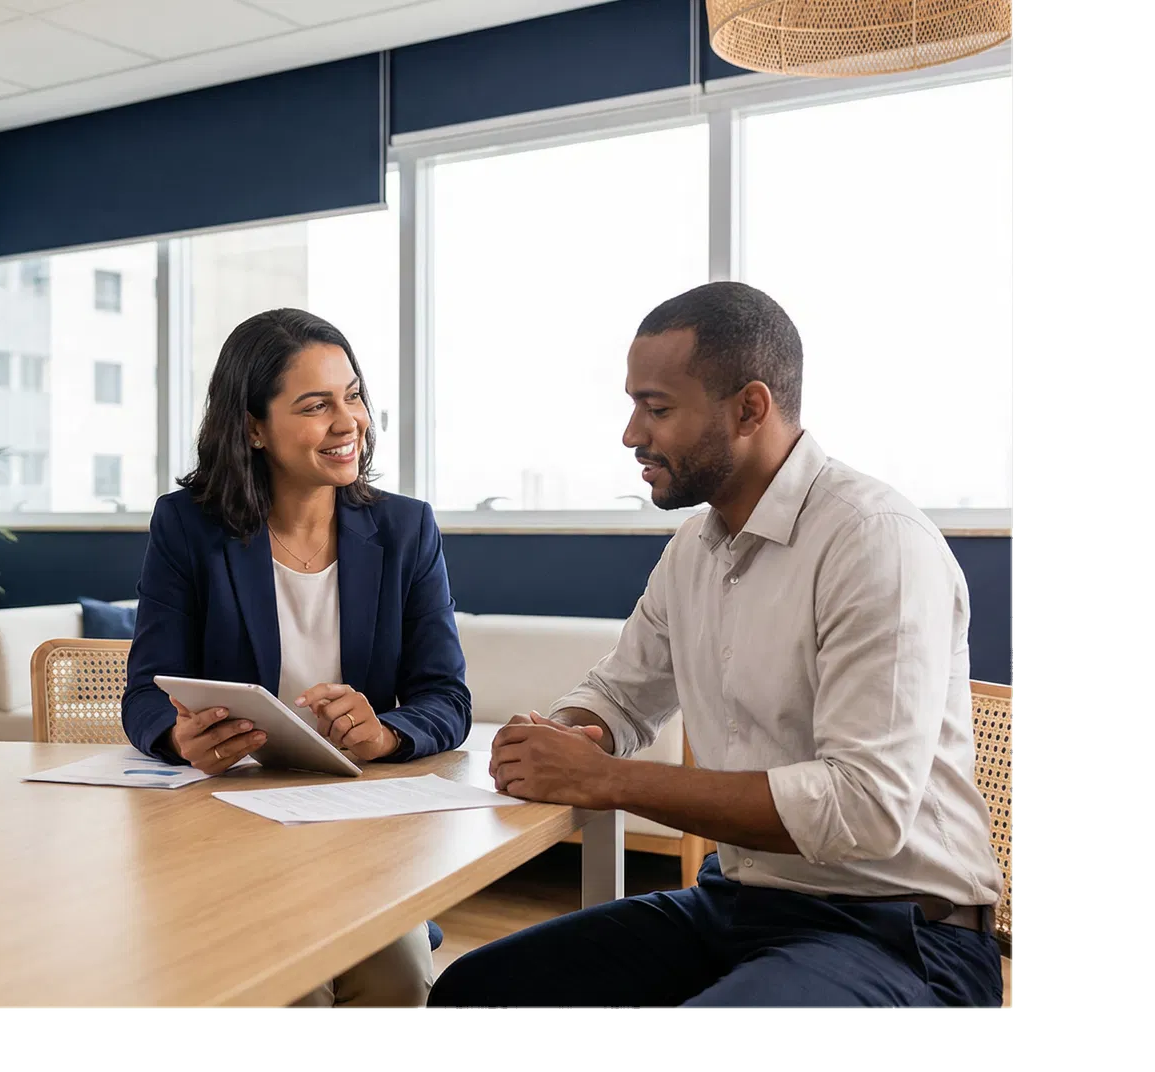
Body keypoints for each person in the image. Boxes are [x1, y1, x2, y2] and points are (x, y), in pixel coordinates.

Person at [427, 281, 1005, 1015]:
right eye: (634, 404)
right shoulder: (695, 550)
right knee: (478, 991)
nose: (632, 434)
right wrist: (567, 735)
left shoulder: (876, 544)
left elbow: (862, 809)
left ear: (749, 409)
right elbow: (622, 691)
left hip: (903, 934)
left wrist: (605, 780)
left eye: (657, 408)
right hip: (742, 905)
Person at [122, 307, 472, 1013]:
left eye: (353, 395)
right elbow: (143, 694)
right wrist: (178, 735)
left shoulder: (406, 529)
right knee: (294, 988)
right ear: (252, 427)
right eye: (316, 406)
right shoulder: (187, 526)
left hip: (356, 825)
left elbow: (446, 697)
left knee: (397, 980)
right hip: (229, 824)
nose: (349, 422)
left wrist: (388, 732)